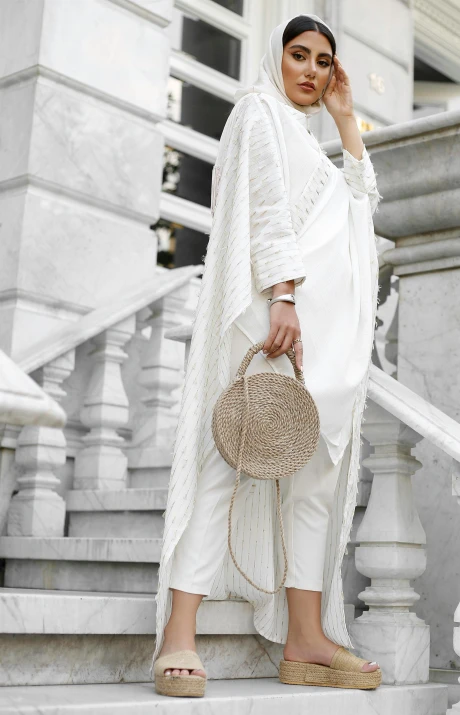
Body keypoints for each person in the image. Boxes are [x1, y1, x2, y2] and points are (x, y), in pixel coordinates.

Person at [153, 13, 382, 698]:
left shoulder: (312, 137)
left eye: (322, 61)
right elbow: (266, 209)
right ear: (275, 57)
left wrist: (347, 122)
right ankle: (178, 633)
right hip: (276, 317)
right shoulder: (259, 112)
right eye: (299, 55)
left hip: (327, 341)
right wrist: (282, 295)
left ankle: (307, 638)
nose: (310, 70)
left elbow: (363, 204)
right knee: (231, 456)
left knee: (312, 480)